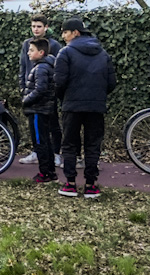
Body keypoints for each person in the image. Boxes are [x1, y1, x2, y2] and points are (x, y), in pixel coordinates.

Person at [50, 17, 117, 198]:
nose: (63, 36)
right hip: (96, 107)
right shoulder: (103, 53)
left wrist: (64, 98)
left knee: (70, 144)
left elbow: (59, 82)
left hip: (71, 105)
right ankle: (91, 185)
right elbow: (111, 83)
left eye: (65, 32)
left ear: (75, 33)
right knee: (92, 145)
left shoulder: (65, 53)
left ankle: (70, 184)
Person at [20, 38, 58, 184]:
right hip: (43, 109)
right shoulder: (45, 66)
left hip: (38, 110)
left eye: (31, 50)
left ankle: (44, 173)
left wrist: (26, 100)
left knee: (40, 142)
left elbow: (40, 89)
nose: (28, 53)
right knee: (46, 140)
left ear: (41, 52)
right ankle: (51, 171)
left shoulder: (41, 68)